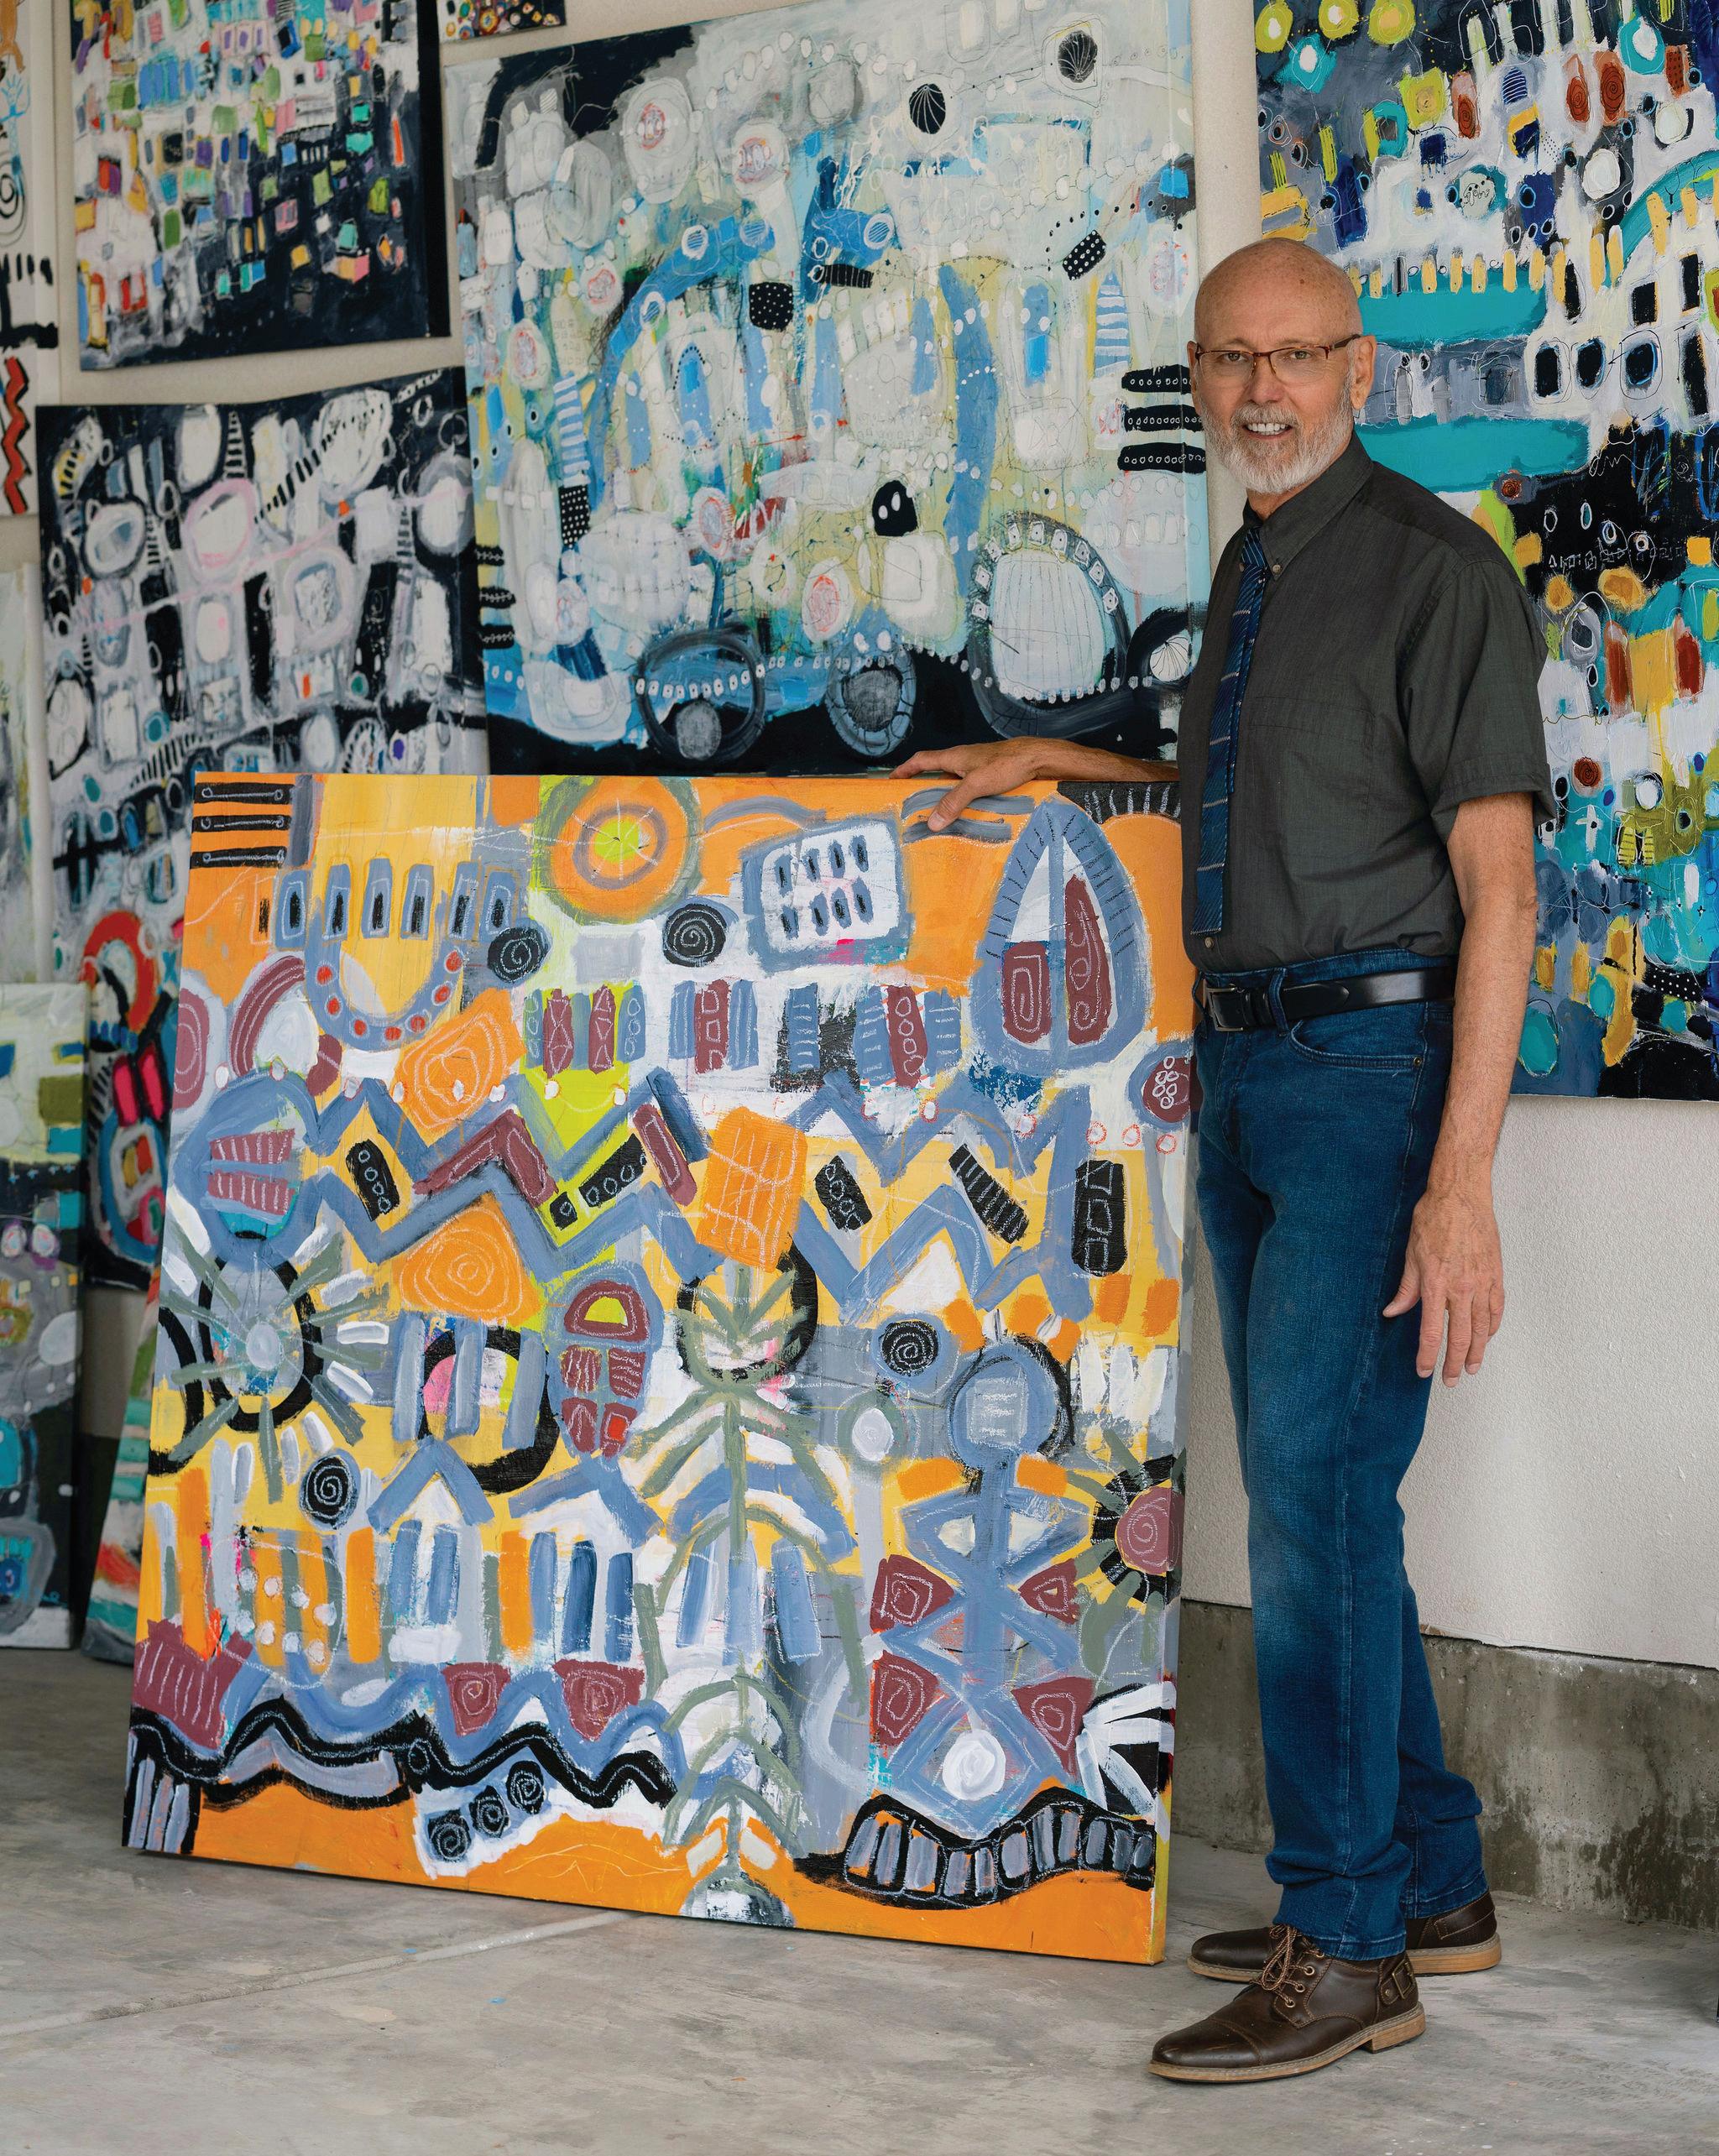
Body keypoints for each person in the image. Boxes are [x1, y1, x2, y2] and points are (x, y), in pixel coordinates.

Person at [901, 235, 1552, 2085]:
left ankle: (1343, 1947)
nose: (1264, 390)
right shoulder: (1255, 564)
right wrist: (1048, 761)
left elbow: (1502, 890)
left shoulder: (1436, 573)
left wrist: (1460, 1181)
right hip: (1249, 1072)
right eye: (1230, 361)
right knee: (1327, 1492)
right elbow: (1234, 802)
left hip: (1366, 1079)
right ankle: (1428, 1880)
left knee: (1315, 1505)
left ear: (1359, 368)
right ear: (1199, 381)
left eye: (1296, 356)